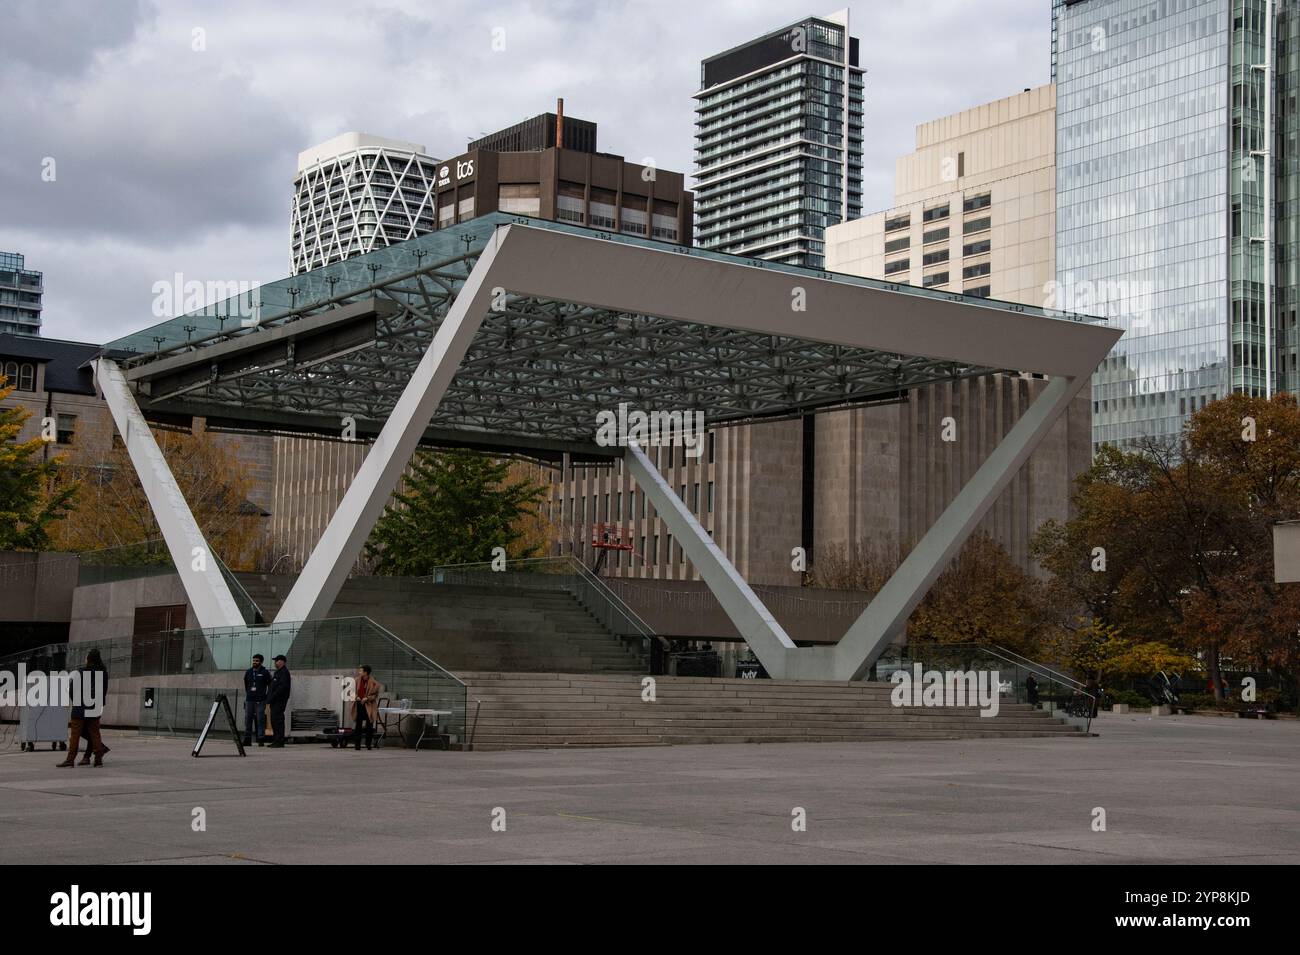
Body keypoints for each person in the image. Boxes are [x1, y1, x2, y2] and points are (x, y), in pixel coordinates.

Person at [58, 648, 109, 768]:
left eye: (86, 657)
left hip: (79, 706)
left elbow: (71, 689)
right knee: (95, 733)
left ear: (89, 659)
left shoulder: (80, 672)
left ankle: (70, 759)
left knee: (75, 734)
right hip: (95, 706)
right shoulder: (103, 673)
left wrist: (76, 701)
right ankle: (98, 760)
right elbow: (104, 690)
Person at [349, 665, 383, 751]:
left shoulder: (374, 683)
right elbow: (351, 691)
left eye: (361, 671)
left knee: (369, 725)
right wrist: (356, 697)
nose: (359, 672)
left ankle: (368, 745)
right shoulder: (356, 680)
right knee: (358, 725)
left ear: (366, 672)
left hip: (369, 705)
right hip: (359, 704)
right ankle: (357, 745)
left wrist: (367, 698)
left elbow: (375, 695)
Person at [242, 654, 272, 747]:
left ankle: (261, 739)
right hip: (250, 699)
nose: (255, 662)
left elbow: (270, 685)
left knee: (260, 719)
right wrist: (249, 693)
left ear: (261, 662)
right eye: (254, 660)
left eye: (257, 661)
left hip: (261, 700)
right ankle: (247, 739)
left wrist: (266, 696)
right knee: (248, 719)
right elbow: (246, 683)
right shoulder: (249, 672)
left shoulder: (265, 672)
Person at [267, 655, 291, 747]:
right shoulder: (278, 672)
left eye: (277, 660)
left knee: (278, 720)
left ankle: (279, 741)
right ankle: (276, 739)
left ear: (282, 662)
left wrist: (273, 696)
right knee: (274, 720)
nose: (275, 662)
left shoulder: (284, 672)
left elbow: (282, 687)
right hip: (274, 700)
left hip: (279, 700)